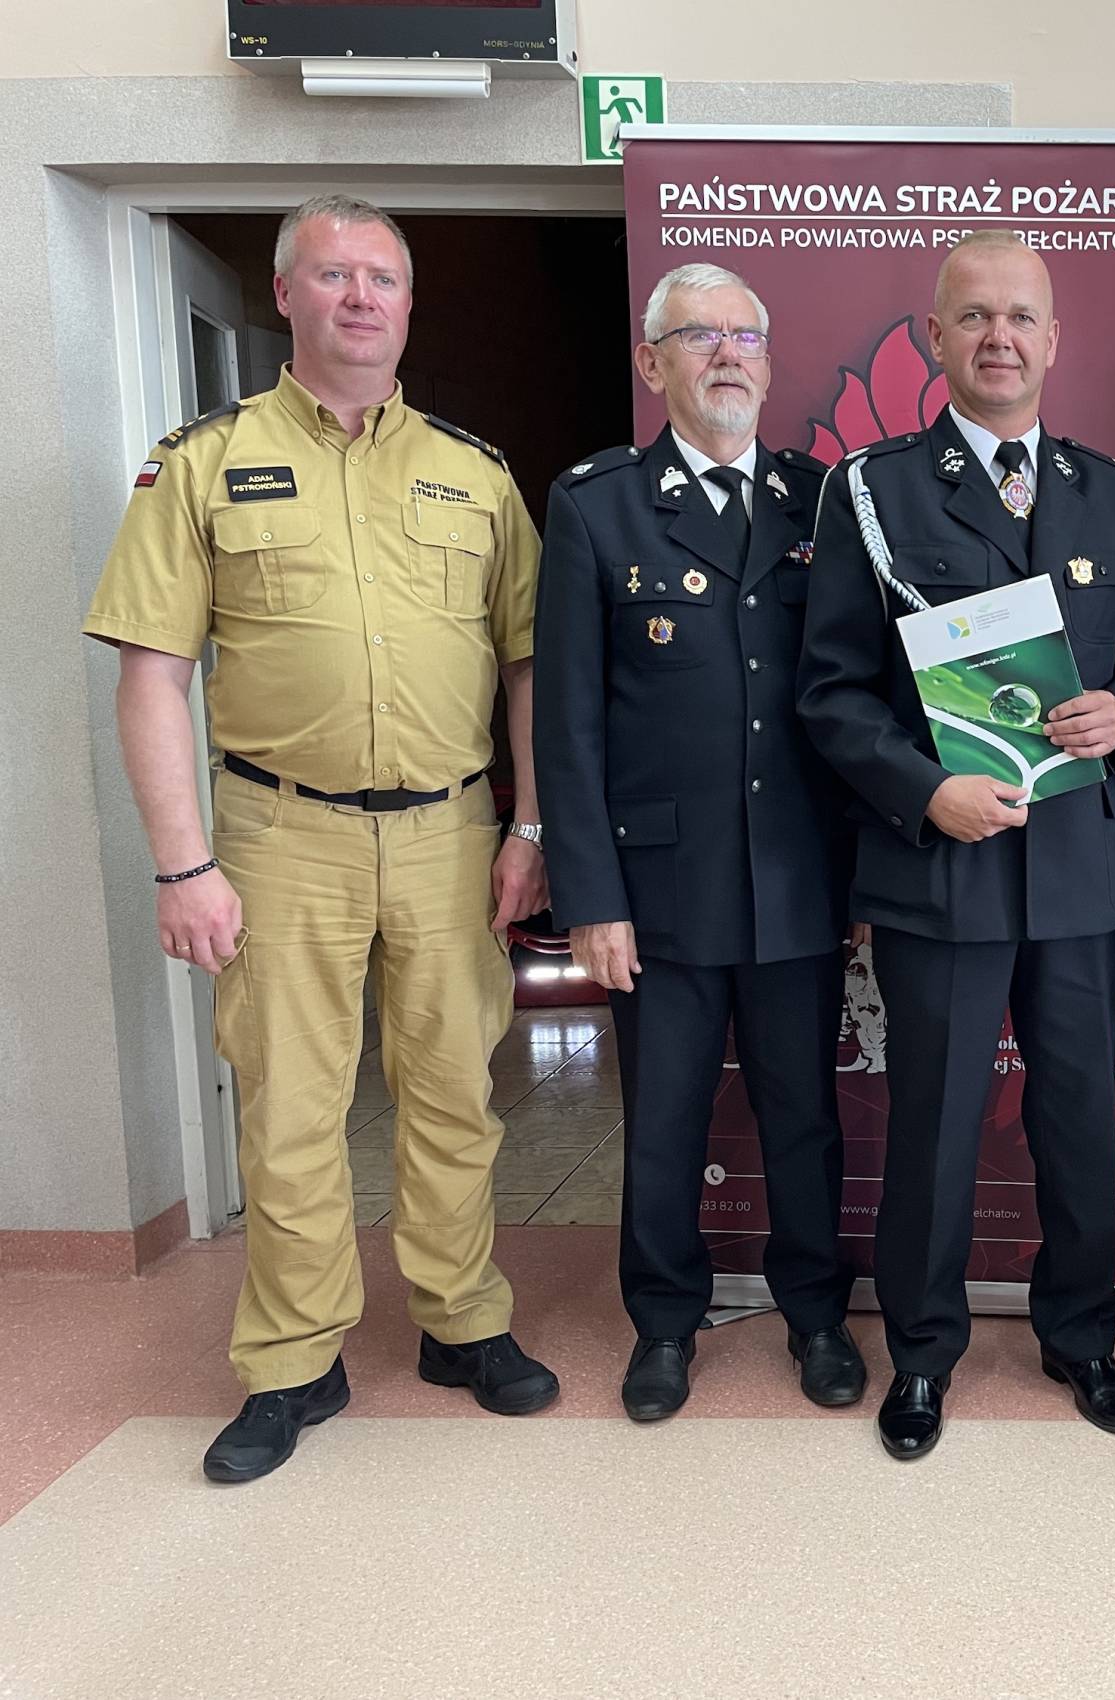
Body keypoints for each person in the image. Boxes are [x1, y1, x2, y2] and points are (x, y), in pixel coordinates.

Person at [82, 194, 558, 1483]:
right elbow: (150, 675)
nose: (360, 297)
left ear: (408, 303)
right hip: (279, 833)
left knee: (454, 1089)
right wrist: (183, 863)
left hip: (452, 832)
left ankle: (463, 1320)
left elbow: (530, 665)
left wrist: (529, 821)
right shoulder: (201, 463)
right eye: (334, 275)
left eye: (382, 278)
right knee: (290, 1102)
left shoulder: (474, 472)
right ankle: (293, 1360)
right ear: (286, 293)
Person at [797, 232, 1115, 1460]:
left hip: (1073, 867)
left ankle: (1083, 1335)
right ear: (937, 337)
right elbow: (830, 690)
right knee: (935, 1123)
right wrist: (923, 790)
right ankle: (922, 1352)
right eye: (974, 316)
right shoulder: (874, 490)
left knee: (1080, 1120)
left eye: (1020, 316)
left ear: (1054, 339)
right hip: (939, 862)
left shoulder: (1111, 492)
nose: (999, 337)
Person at [533, 262, 864, 1422]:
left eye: (745, 336)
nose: (727, 354)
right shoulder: (597, 504)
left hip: (797, 879)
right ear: (651, 361)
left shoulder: (821, 501)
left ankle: (816, 1312)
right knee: (665, 1120)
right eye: (698, 335)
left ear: (768, 363)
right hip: (659, 885)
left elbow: (856, 694)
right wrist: (590, 894)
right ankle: (665, 1321)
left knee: (803, 1116)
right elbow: (567, 720)